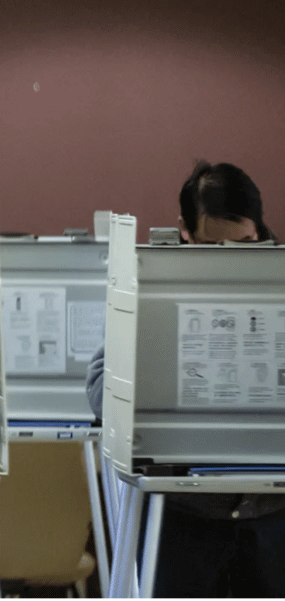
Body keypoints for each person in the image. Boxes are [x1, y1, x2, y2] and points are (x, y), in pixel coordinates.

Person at [86, 161, 285, 597]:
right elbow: (101, 387)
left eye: (247, 245)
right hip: (183, 517)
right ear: (186, 231)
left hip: (273, 515)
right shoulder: (154, 281)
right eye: (214, 247)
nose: (231, 263)